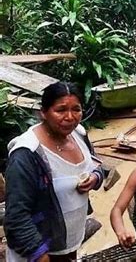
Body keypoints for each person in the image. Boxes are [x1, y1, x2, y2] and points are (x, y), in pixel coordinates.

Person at [4, 82, 104, 262]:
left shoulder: (78, 134)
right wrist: (39, 254)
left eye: (76, 109)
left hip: (69, 245)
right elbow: (16, 217)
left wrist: (95, 178)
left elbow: (97, 166)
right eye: (61, 110)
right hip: (40, 252)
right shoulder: (27, 154)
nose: (70, 117)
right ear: (43, 112)